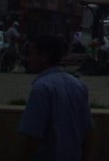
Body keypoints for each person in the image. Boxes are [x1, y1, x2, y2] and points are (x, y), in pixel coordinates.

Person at [18, 33, 95, 161]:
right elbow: (88, 131)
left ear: (43, 57)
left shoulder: (41, 88)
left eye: (31, 54)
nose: (28, 59)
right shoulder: (78, 85)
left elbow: (32, 137)